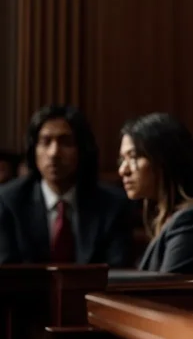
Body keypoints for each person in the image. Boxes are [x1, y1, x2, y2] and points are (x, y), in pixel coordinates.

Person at [0, 105, 133, 265]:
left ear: (82, 149)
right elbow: (7, 274)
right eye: (45, 142)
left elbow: (117, 271)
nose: (54, 153)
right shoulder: (8, 201)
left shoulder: (112, 205)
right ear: (33, 150)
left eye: (65, 142)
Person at [119, 113, 193, 276]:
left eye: (134, 157)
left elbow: (167, 294)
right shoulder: (170, 220)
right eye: (122, 159)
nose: (123, 170)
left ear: (164, 159)